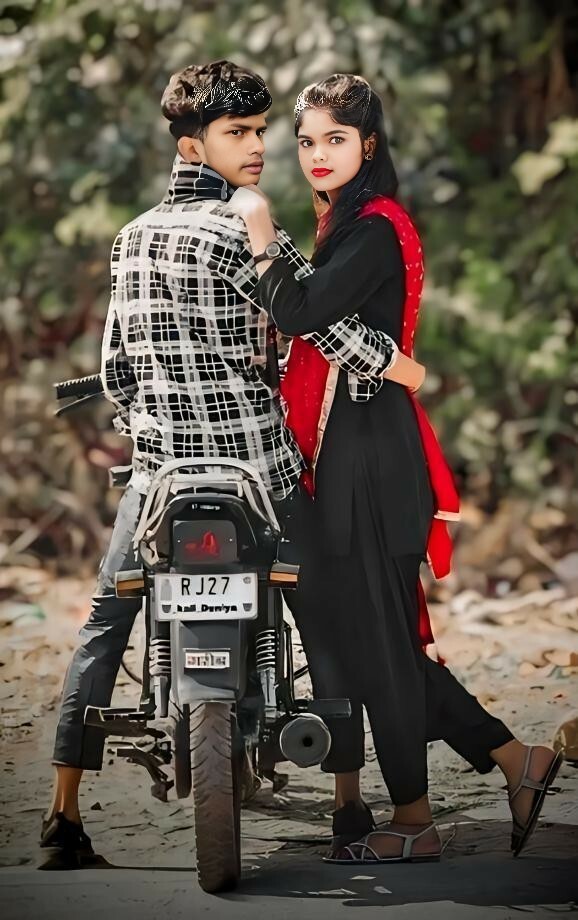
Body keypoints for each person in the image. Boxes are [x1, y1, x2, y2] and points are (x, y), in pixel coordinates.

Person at [40, 61, 424, 869]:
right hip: (261, 473)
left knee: (106, 626)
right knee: (324, 617)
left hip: (161, 478)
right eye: (238, 133)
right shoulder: (246, 232)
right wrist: (396, 366)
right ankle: (349, 805)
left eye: (260, 131)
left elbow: (116, 371)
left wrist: (153, 427)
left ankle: (62, 812)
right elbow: (319, 325)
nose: (257, 148)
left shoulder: (131, 238)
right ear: (193, 145)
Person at [229, 72, 562, 864]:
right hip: (354, 456)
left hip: (372, 464)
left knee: (380, 648)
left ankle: (417, 818)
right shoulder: (348, 226)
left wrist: (260, 230)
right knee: (377, 645)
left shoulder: (375, 229)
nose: (316, 153)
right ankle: (514, 760)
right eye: (306, 141)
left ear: (368, 144)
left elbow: (300, 311)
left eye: (334, 139)